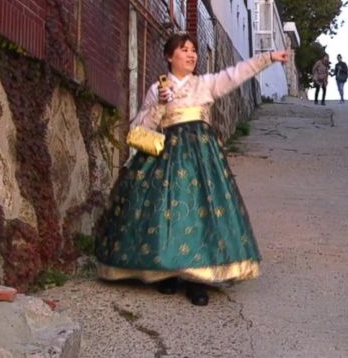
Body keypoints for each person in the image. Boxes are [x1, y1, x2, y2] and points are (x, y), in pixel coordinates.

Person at [95, 32, 289, 306]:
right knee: (167, 212)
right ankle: (168, 272)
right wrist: (161, 105)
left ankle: (197, 280)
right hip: (165, 158)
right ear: (169, 56)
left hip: (201, 158)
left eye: (193, 50)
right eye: (184, 49)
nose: (191, 54)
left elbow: (236, 74)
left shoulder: (205, 84)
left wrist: (268, 58)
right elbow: (139, 129)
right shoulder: (157, 88)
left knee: (200, 211)